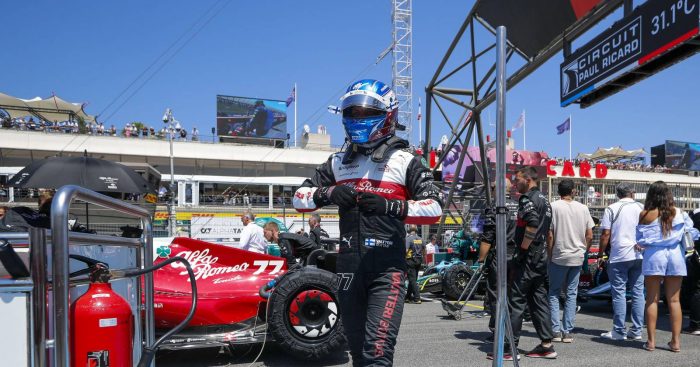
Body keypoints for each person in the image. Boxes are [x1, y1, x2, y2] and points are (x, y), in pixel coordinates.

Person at [292, 79, 442, 366]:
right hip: (348, 270)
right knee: (359, 354)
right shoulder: (337, 162)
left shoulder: (405, 160)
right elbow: (300, 197)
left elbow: (434, 207)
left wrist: (391, 205)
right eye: (352, 113)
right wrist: (330, 192)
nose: (357, 119)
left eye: (365, 113)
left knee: (377, 354)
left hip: (387, 270)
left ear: (388, 115)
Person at [636, 181, 699, 352]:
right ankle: (676, 342)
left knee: (652, 299)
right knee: (674, 300)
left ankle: (651, 342)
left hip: (654, 256)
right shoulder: (679, 213)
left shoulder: (645, 213)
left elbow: (640, 240)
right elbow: (693, 233)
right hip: (675, 255)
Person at [506, 166, 555, 359]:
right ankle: (547, 345)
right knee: (538, 300)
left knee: (516, 300)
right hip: (541, 257)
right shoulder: (546, 200)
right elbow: (548, 232)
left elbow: (533, 223)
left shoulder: (527, 199)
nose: (515, 183)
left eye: (517, 179)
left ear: (528, 179)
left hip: (527, 258)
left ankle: (510, 349)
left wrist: (523, 248)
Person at [546, 179, 594, 344]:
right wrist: (583, 252)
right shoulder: (583, 208)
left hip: (558, 255)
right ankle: (567, 331)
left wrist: (550, 254)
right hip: (577, 256)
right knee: (572, 293)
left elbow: (550, 235)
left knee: (553, 292)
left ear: (559, 191)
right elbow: (590, 235)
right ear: (573, 191)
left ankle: (555, 330)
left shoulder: (553, 206)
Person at [598, 182, 645, 341]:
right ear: (632, 192)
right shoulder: (641, 207)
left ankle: (619, 330)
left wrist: (600, 254)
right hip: (639, 254)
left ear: (618, 194)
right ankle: (637, 330)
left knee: (619, 293)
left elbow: (605, 234)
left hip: (619, 254)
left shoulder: (612, 208)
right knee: (638, 293)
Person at [478, 180, 518, 347]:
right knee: (513, 295)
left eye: (492, 188)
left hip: (499, 255)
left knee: (495, 294)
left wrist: (480, 259)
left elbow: (488, 236)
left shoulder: (494, 207)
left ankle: (498, 331)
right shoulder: (518, 205)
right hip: (517, 256)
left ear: (496, 189)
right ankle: (511, 331)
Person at [685, 208, 700, 335]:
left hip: (698, 257)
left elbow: (691, 235)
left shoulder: (696, 215)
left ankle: (696, 324)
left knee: (696, 289)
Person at [405, 225, 424, 304]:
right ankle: (408, 297)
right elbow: (424, 250)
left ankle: (417, 298)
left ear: (409, 231)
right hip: (419, 260)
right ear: (416, 231)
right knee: (412, 279)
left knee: (412, 280)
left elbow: (406, 250)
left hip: (411, 261)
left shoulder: (408, 239)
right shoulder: (421, 239)